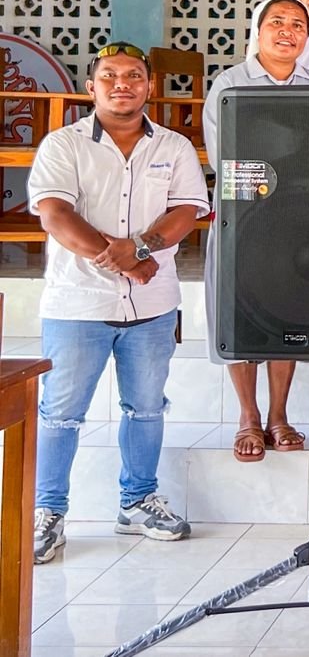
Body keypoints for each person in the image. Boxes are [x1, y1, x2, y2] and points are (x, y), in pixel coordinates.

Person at [27, 42, 208, 564]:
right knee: (61, 413)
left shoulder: (174, 146)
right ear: (91, 87)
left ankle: (137, 502)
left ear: (149, 86)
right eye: (109, 75)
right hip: (78, 304)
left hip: (152, 306)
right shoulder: (64, 145)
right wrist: (127, 262)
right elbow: (55, 214)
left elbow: (187, 211)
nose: (122, 84)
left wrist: (142, 249)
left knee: (146, 408)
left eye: (133, 76)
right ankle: (47, 513)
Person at [204, 0, 309, 464]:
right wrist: (286, 179)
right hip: (245, 217)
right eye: (276, 21)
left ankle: (278, 415)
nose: (287, 31)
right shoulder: (230, 84)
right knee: (240, 313)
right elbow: (227, 160)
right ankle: (248, 415)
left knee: (287, 312)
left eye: (297, 24)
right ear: (257, 31)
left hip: (301, 221)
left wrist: (301, 191)